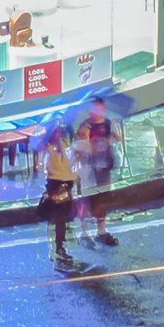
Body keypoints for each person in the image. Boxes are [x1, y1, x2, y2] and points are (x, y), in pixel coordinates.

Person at [72, 104, 123, 247]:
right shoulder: (85, 126)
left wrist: (114, 133)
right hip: (87, 172)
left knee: (103, 201)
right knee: (85, 202)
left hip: (103, 169)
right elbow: (78, 150)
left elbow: (115, 139)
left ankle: (101, 232)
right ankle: (84, 233)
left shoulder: (107, 123)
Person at [39, 143, 85, 267]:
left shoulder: (64, 147)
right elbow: (53, 172)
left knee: (62, 221)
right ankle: (57, 249)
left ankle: (60, 247)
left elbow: (70, 169)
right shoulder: (50, 151)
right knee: (58, 221)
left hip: (64, 189)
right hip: (56, 188)